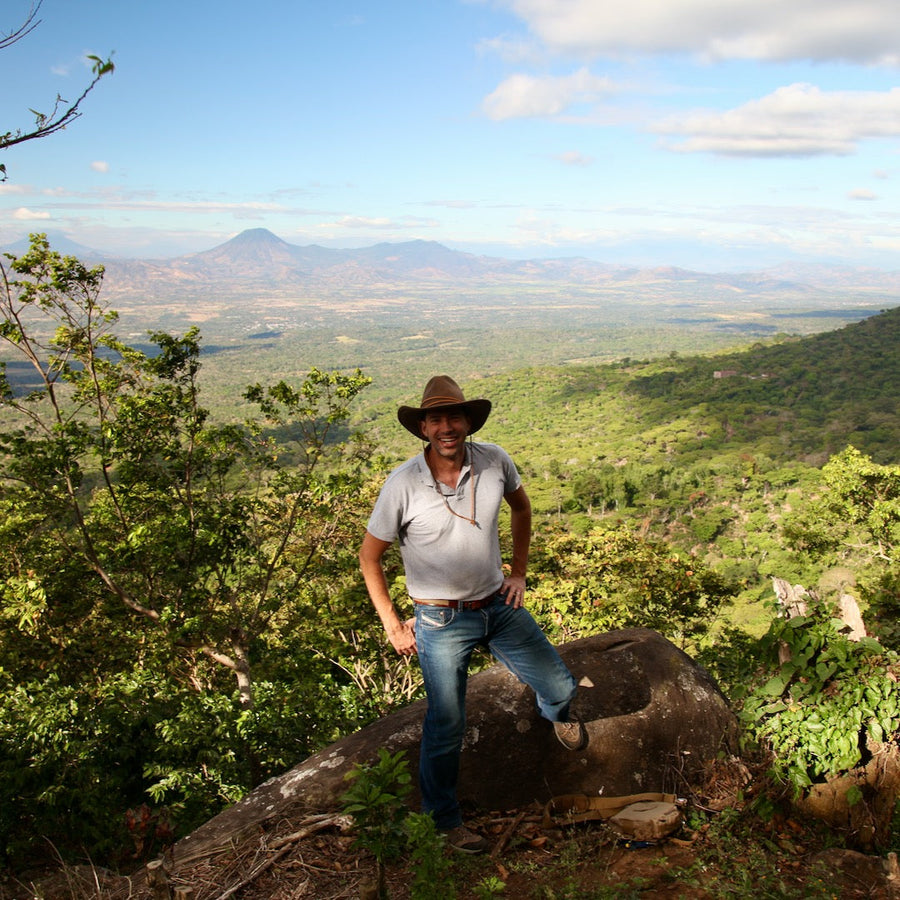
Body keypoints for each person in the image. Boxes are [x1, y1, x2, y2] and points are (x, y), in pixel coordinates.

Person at [359, 375, 587, 854]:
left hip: (498, 606)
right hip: (440, 621)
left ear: (468, 422)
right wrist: (393, 624)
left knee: (562, 688)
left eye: (454, 417)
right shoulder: (402, 485)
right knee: (447, 724)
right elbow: (369, 556)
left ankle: (555, 715)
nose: (447, 427)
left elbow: (521, 508)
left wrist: (519, 572)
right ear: (423, 428)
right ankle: (443, 822)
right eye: (436, 419)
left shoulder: (494, 460)